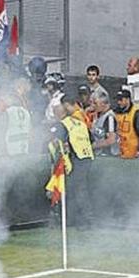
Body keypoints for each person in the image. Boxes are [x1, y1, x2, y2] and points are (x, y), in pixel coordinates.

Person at [52, 92, 94, 225]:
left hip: (74, 159)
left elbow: (59, 144)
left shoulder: (63, 124)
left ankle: (83, 220)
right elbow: (91, 139)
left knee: (77, 190)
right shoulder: (79, 122)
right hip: (86, 157)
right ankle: (79, 219)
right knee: (80, 189)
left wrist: (63, 160)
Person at [113, 89, 139, 159]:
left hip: (133, 155)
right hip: (118, 155)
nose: (118, 102)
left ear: (128, 100)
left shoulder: (137, 113)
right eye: (117, 100)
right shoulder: (115, 112)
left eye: (121, 100)